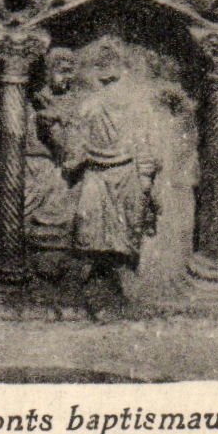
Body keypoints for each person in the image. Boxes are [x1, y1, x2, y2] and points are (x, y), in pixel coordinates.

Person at [63, 41, 162, 304]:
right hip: (96, 171)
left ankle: (121, 272)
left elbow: (145, 142)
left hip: (126, 170)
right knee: (90, 221)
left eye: (111, 65)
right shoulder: (90, 104)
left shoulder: (135, 105)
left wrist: (145, 177)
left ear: (121, 70)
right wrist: (74, 156)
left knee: (126, 223)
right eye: (102, 65)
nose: (106, 70)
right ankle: (92, 271)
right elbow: (77, 142)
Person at [24, 47, 81, 277]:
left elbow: (74, 140)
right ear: (48, 72)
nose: (67, 78)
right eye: (62, 71)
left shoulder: (73, 102)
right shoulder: (36, 101)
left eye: (70, 72)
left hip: (64, 168)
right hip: (39, 166)